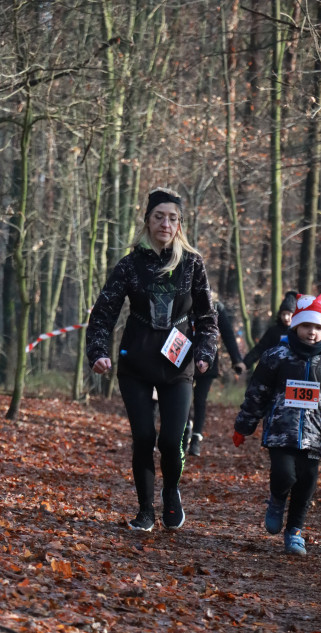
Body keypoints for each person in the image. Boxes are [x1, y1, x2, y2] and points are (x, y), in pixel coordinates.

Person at [86, 186, 218, 532]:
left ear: (180, 224)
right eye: (159, 216)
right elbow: (102, 314)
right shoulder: (130, 265)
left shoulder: (192, 264)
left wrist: (205, 353)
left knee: (171, 441)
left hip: (179, 366)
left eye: (172, 218)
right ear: (147, 221)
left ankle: (171, 490)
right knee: (144, 437)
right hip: (136, 365)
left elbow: (207, 319)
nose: (165, 223)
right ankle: (145, 510)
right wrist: (98, 353)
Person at [232, 293, 321, 556]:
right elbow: (258, 392)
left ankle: (295, 532)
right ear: (296, 326)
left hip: (314, 436)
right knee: (284, 475)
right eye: (307, 326)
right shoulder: (276, 357)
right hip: (281, 433)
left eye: (318, 327)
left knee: (306, 484)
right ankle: (277, 500)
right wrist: (244, 425)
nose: (312, 332)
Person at [186, 298, 243, 456]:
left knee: (200, 400)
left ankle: (196, 438)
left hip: (206, 362)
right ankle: (185, 430)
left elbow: (228, 334)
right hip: (184, 360)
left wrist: (237, 360)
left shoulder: (216, 307)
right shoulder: (184, 301)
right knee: (183, 399)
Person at [234, 291, 297, 374]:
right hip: (275, 371)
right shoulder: (273, 331)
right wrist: (245, 363)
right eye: (283, 314)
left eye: (289, 314)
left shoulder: (299, 332)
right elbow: (260, 348)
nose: (286, 317)